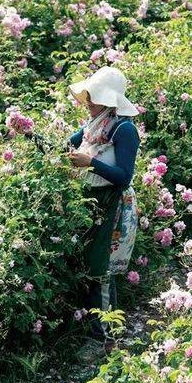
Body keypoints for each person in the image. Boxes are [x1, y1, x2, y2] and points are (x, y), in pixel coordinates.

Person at [66, 66, 141, 353]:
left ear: (108, 100)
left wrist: (91, 163)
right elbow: (68, 146)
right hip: (90, 202)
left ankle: (106, 339)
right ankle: (99, 332)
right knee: (91, 268)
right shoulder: (94, 125)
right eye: (87, 97)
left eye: (93, 98)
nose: (87, 102)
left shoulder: (124, 129)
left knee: (103, 271)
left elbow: (124, 176)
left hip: (112, 204)